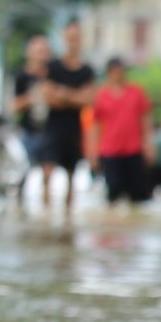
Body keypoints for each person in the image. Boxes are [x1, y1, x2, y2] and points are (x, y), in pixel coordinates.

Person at [40, 22, 97, 215]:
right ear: (65, 39)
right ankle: (45, 214)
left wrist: (63, 94)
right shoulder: (53, 67)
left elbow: (88, 100)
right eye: (70, 37)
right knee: (47, 172)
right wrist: (74, 96)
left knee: (71, 177)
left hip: (74, 128)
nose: (74, 42)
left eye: (77, 38)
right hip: (53, 126)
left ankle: (67, 215)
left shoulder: (87, 70)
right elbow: (48, 97)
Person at [93, 58, 154, 206]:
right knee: (113, 190)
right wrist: (94, 151)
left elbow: (146, 119)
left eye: (121, 71)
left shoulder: (137, 92)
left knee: (137, 195)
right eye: (115, 71)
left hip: (133, 149)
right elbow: (95, 125)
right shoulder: (101, 95)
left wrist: (149, 145)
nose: (119, 74)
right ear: (109, 73)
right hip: (110, 151)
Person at [9, 35, 54, 204]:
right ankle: (20, 202)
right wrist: (33, 97)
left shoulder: (53, 76)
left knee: (48, 172)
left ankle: (46, 205)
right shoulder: (21, 76)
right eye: (38, 52)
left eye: (44, 52)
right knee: (24, 170)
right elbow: (13, 105)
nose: (41, 56)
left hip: (50, 130)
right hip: (28, 130)